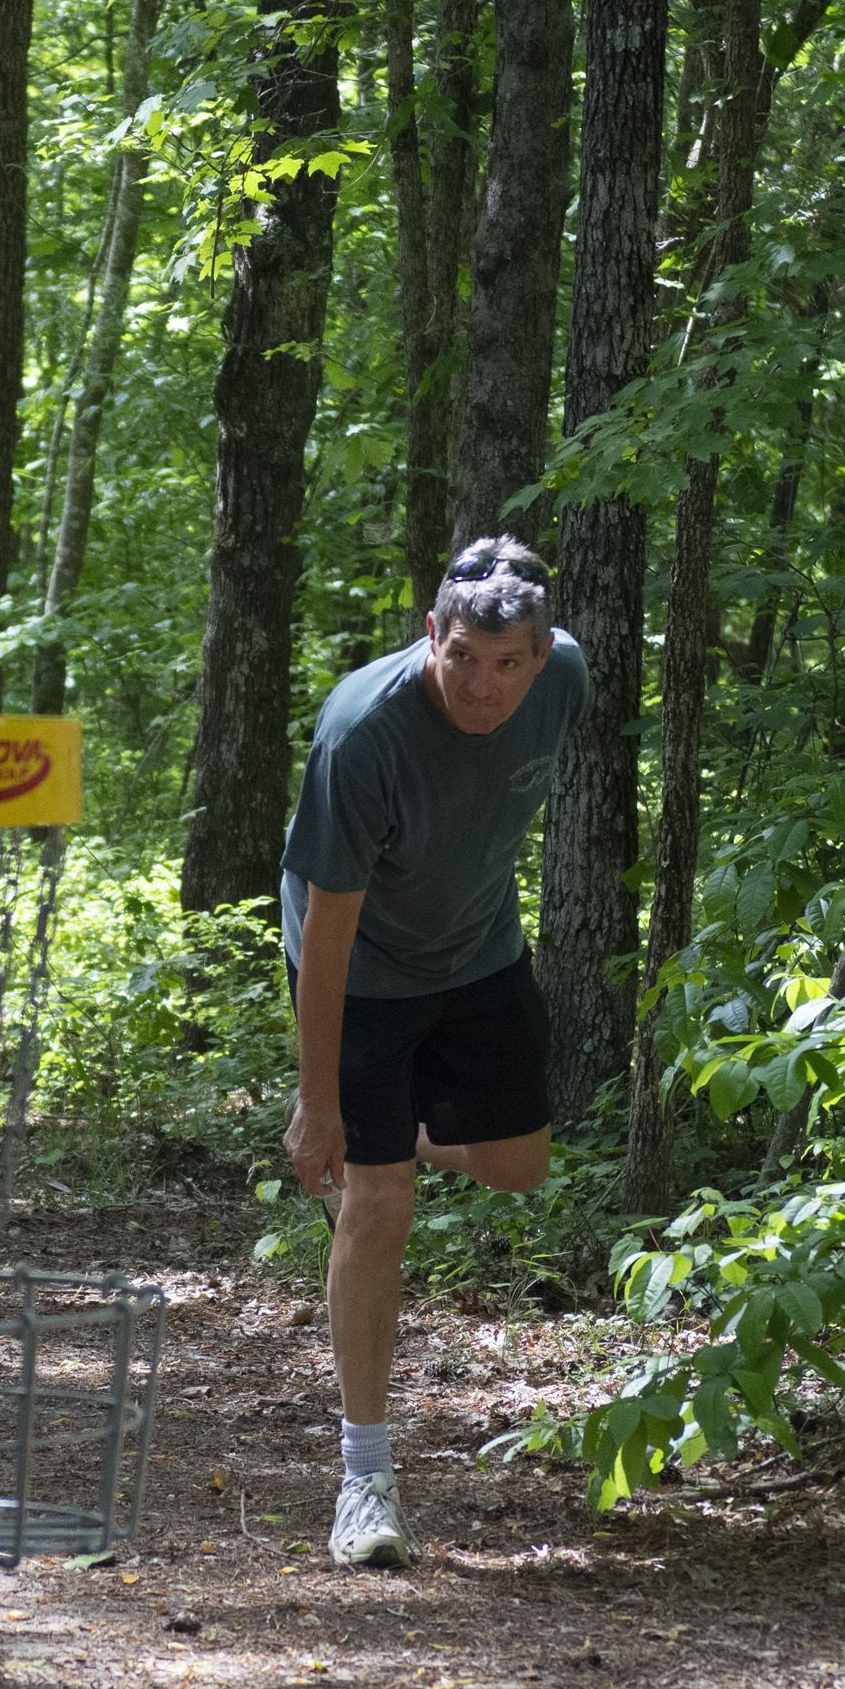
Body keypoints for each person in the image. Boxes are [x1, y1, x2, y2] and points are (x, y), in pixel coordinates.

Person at [279, 534, 587, 1568]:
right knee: (376, 1206)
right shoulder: (362, 736)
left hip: (477, 950)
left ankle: (391, 1146)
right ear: (431, 636)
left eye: (507, 664)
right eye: (461, 657)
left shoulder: (565, 679)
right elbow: (325, 935)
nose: (482, 687)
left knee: (520, 1165)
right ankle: (364, 1481)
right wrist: (317, 1102)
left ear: (540, 654)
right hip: (359, 971)